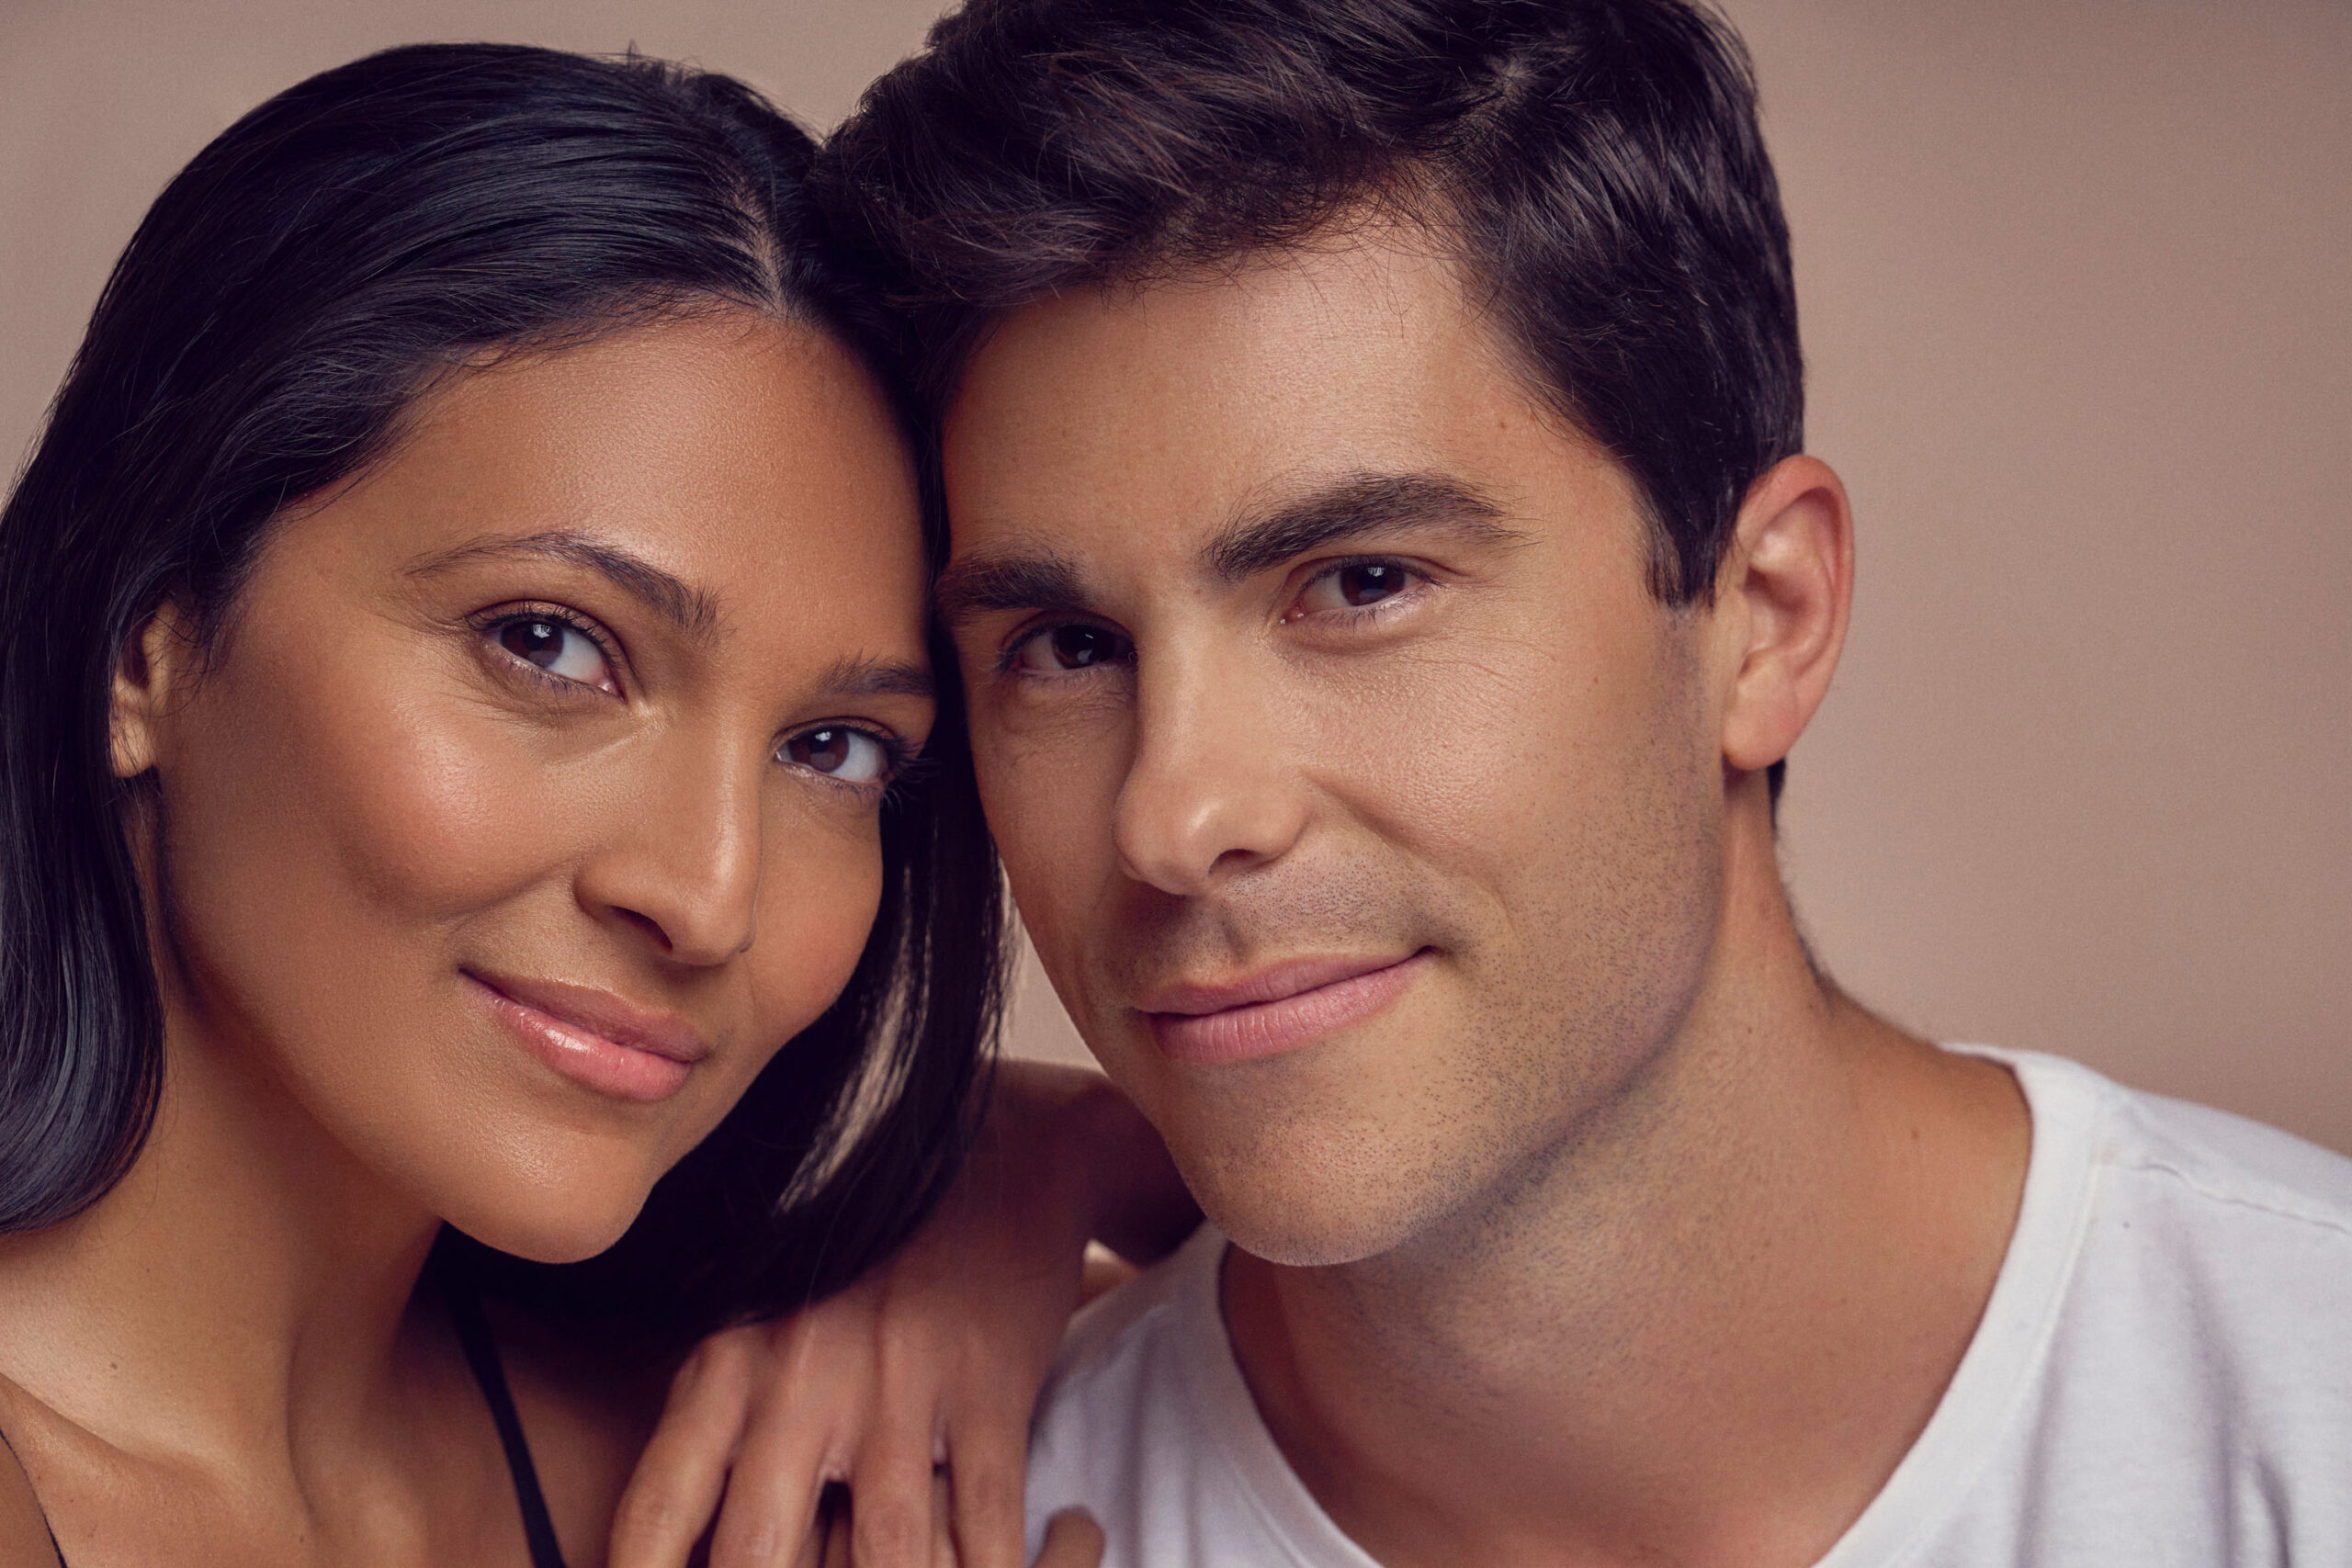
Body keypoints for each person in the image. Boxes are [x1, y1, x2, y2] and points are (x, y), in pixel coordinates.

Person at [813, 0, 2352, 1562]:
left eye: (1361, 584)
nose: (1176, 819)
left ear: (1763, 619)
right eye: (1067, 647)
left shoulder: (2306, 1398)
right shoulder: (930, 1527)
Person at [0, 40, 1133, 1567]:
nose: (708, 895)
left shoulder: (748, 1457)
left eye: (836, 749)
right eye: (548, 645)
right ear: (141, 643)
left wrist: (1018, 1173)